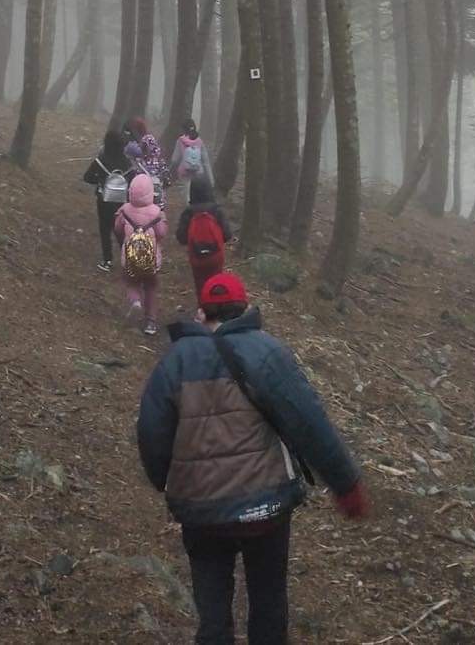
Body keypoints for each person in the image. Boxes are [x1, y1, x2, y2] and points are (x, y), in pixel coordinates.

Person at [137, 273, 368, 644]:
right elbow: (309, 420)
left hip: (200, 508)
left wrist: (163, 479)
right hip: (266, 505)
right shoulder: (267, 352)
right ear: (245, 309)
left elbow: (152, 430)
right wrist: (345, 483)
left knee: (212, 608)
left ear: (201, 314)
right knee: (268, 598)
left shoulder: (175, 361)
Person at [114, 172, 169, 336]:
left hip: (130, 258)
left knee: (131, 282)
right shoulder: (156, 212)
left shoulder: (124, 211)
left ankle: (135, 301)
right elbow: (162, 234)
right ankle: (150, 322)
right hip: (151, 259)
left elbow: (117, 229)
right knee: (151, 286)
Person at [175, 176, 234, 298]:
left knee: (200, 284)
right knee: (216, 283)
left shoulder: (188, 212)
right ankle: (217, 307)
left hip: (196, 255)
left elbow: (181, 238)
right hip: (216, 256)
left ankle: (203, 310)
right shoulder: (217, 211)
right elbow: (228, 235)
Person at [83, 126, 131, 273]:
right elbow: (133, 180)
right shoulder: (127, 163)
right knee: (121, 230)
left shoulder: (100, 161)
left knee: (105, 230)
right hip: (122, 202)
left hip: (104, 201)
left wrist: (100, 180)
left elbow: (87, 177)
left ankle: (107, 260)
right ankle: (129, 260)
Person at [170, 119, 214, 200]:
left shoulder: (181, 140)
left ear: (183, 129)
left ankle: (189, 206)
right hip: (198, 170)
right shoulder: (199, 141)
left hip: (185, 171)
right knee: (197, 191)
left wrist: (170, 170)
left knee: (187, 192)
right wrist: (211, 180)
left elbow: (175, 159)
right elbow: (206, 161)